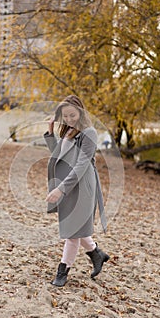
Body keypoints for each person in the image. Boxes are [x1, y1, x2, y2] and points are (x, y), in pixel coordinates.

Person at [44, 95, 109, 287]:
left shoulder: (89, 132)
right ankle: (96, 253)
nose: (70, 119)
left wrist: (61, 189)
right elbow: (58, 156)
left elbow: (81, 165)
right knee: (75, 226)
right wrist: (50, 133)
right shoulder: (68, 131)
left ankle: (62, 271)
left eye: (72, 115)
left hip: (82, 185)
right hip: (69, 182)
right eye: (65, 116)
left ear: (80, 111)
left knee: (72, 232)